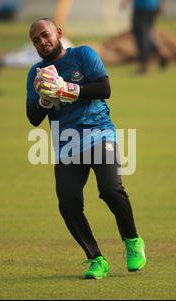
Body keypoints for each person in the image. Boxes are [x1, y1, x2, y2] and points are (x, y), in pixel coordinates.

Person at [26, 18, 146, 279]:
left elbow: (105, 88)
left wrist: (66, 89)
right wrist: (46, 99)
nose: (42, 42)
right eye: (36, 40)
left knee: (110, 190)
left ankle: (132, 241)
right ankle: (96, 259)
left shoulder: (83, 54)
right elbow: (33, 118)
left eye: (45, 35)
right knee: (68, 204)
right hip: (66, 144)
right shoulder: (36, 73)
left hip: (99, 131)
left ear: (58, 33)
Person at [123, 0, 168, 74]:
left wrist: (125, 2)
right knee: (146, 34)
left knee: (142, 37)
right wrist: (161, 4)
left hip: (141, 8)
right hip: (152, 6)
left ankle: (144, 66)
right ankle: (160, 51)